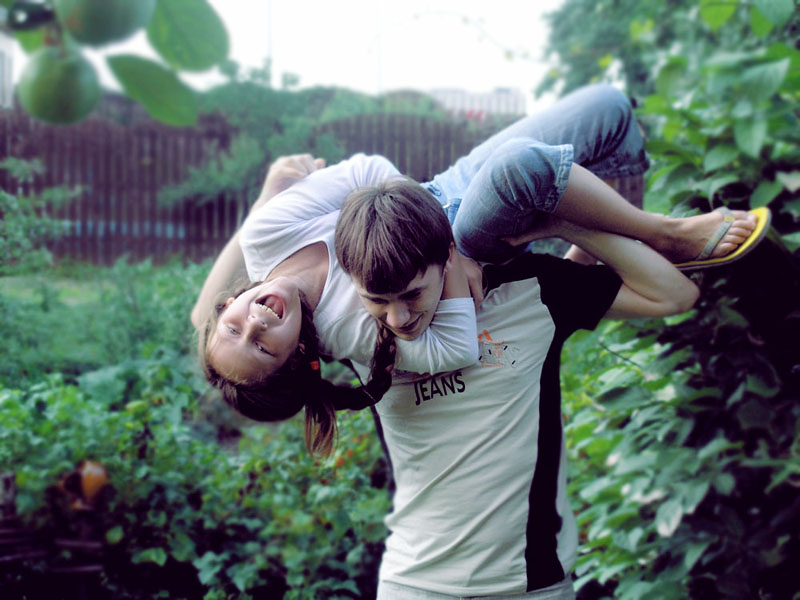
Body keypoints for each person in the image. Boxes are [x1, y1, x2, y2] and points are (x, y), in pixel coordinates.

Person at [192, 84, 761, 455]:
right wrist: (449, 258)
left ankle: (589, 242)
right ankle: (665, 234)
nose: (255, 324)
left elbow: (369, 170)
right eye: (262, 346)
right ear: (296, 354)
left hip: (440, 191)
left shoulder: (264, 233)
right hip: (465, 238)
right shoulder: (350, 329)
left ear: (228, 304)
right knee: (523, 168)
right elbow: (452, 344)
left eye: (234, 326)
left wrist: (408, 222)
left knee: (610, 111)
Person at [332, 173, 698, 599]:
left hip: (531, 586)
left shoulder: (532, 290)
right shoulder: (353, 330)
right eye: (378, 300)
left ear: (447, 254)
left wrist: (568, 227)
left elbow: (674, 295)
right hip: (410, 585)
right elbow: (259, 334)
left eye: (413, 294)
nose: (397, 319)